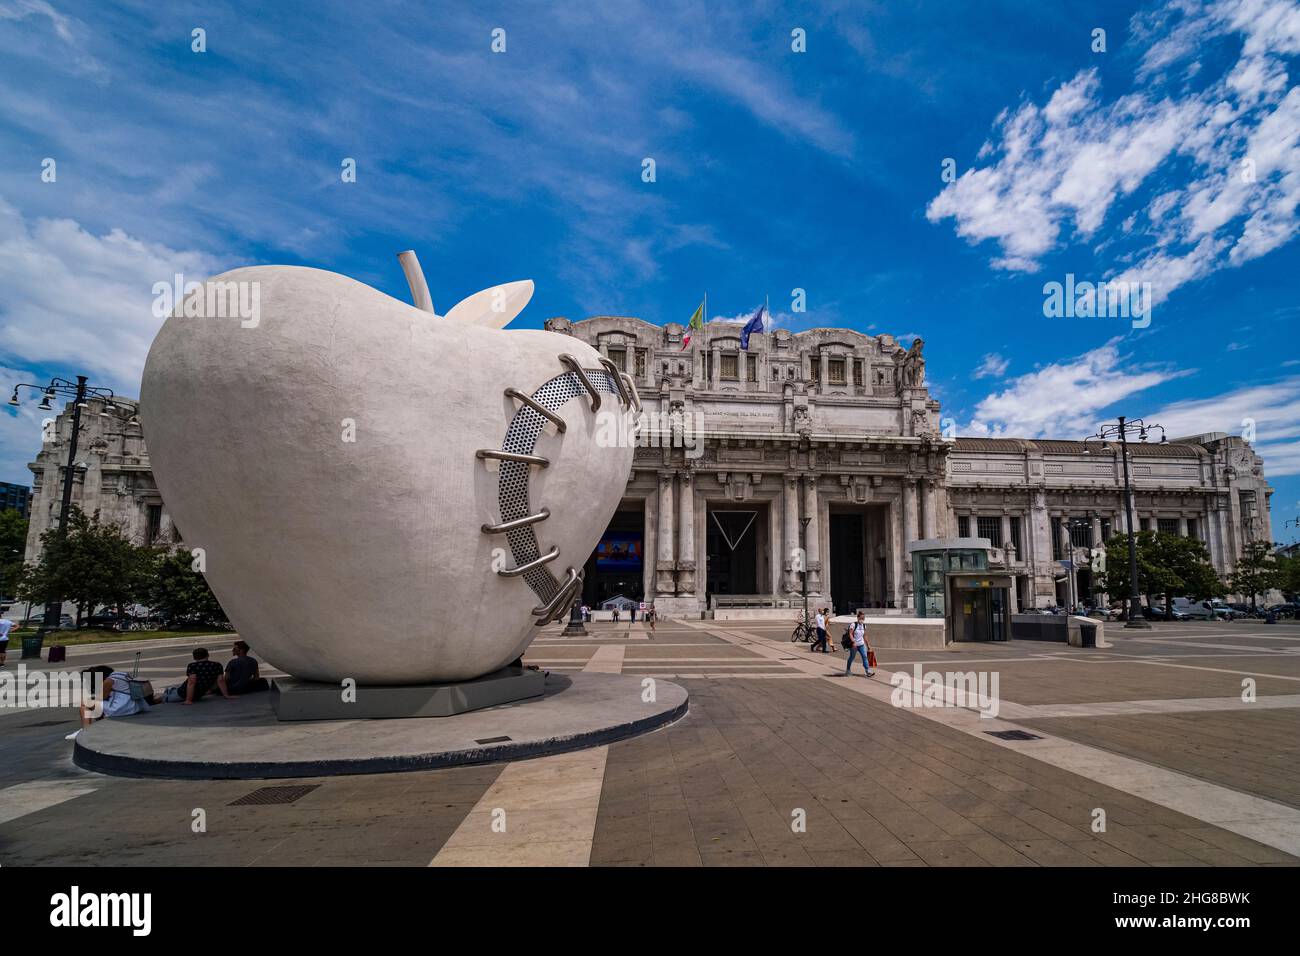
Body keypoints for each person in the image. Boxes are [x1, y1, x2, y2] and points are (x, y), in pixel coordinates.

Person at [74, 664, 151, 736]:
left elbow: (101, 697)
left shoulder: (109, 680)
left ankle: (86, 731)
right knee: (99, 705)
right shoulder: (122, 675)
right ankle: (99, 726)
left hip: (122, 707)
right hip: (136, 706)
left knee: (85, 703)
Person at [162, 647, 234, 704]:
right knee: (169, 691)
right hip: (199, 694)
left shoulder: (192, 666)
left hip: (182, 693)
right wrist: (226, 695)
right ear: (208, 655)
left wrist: (188, 700)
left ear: (194, 657)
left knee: (162, 697)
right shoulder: (217, 665)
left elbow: (192, 682)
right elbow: (221, 681)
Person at [843, 611, 874, 677]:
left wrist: (868, 645)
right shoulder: (853, 625)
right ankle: (848, 670)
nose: (862, 620)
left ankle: (867, 670)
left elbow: (865, 635)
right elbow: (850, 634)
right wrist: (853, 642)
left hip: (861, 644)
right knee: (852, 657)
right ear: (858, 617)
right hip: (854, 645)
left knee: (865, 657)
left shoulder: (864, 625)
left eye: (863, 618)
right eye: (861, 618)